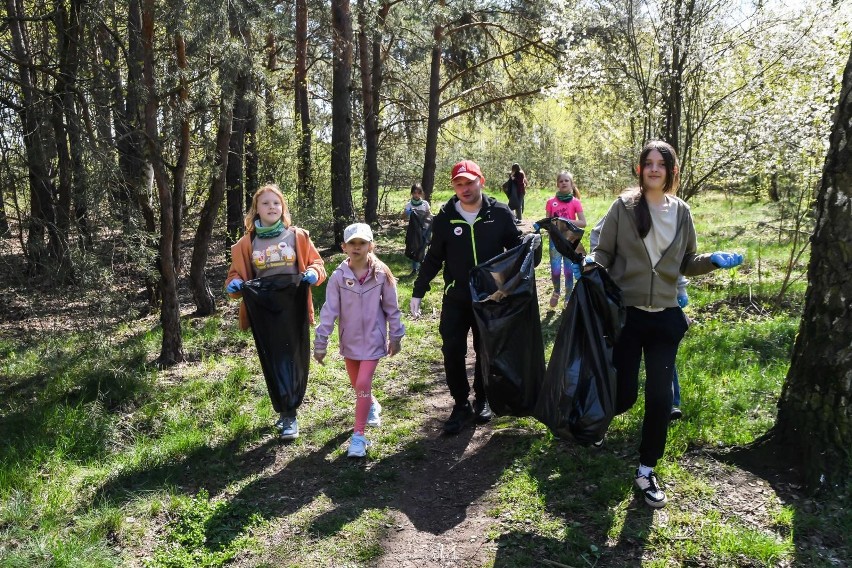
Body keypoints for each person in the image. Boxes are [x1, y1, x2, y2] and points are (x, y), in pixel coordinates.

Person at [589, 140, 743, 508]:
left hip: (666, 318)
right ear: (639, 169)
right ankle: (596, 420)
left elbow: (687, 261)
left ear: (672, 171)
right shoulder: (623, 208)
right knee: (624, 395)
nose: (654, 169)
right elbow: (604, 251)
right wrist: (592, 263)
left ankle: (645, 470)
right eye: (648, 163)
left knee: (660, 398)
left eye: (662, 164)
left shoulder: (682, 210)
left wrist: (711, 261)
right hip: (629, 316)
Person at [410, 159, 535, 434]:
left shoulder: (500, 213)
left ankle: (482, 398)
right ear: (454, 186)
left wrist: (531, 248)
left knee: (485, 350)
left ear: (482, 181)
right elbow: (433, 258)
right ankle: (460, 404)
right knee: (452, 350)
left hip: (490, 299)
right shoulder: (445, 218)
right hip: (456, 297)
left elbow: (517, 249)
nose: (464, 188)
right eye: (459, 183)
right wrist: (419, 290)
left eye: (469, 182)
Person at [225, 184, 326, 441]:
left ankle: (289, 411)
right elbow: (235, 277)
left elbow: (317, 263)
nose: (272, 207)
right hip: (264, 311)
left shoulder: (297, 237)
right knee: (274, 361)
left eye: (276, 203)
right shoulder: (246, 244)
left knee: (293, 359)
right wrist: (234, 286)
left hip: (293, 308)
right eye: (266, 203)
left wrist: (314, 274)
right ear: (256, 210)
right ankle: (286, 412)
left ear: (283, 209)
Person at [313, 223, 405, 458]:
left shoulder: (381, 274)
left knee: (363, 384)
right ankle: (371, 404)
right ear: (344, 247)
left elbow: (392, 308)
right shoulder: (338, 277)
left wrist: (396, 335)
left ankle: (359, 437)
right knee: (359, 387)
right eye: (352, 243)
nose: (357, 247)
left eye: (362, 243)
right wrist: (321, 343)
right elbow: (329, 311)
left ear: (371, 246)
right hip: (350, 344)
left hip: (374, 342)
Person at [590, 215, 687, 421]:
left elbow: (676, 258)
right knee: (622, 359)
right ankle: (606, 407)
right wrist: (599, 267)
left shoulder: (663, 217)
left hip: (661, 301)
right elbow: (598, 242)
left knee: (663, 355)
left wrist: (680, 289)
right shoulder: (617, 214)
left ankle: (670, 403)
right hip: (625, 300)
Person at [544, 171, 587, 307]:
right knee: (555, 271)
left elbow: (583, 222)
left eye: (566, 180)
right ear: (557, 184)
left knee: (569, 271)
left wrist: (565, 221)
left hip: (569, 241)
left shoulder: (575, 202)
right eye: (561, 181)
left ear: (571, 184)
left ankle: (568, 297)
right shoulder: (551, 202)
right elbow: (547, 221)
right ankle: (556, 291)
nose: (563, 183)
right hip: (554, 242)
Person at [403, 183, 432, 274]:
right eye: (414, 193)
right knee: (415, 248)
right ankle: (415, 269)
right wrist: (408, 212)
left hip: (424, 229)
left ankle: (423, 267)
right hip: (414, 231)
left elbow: (429, 215)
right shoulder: (409, 204)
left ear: (421, 193)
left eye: (419, 193)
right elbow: (403, 216)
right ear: (412, 193)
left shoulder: (425, 204)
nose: (416, 195)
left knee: (423, 247)